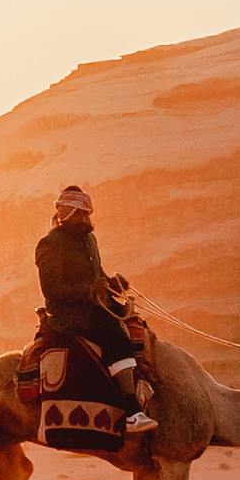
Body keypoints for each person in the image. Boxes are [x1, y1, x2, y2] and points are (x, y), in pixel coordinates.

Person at [36, 184, 155, 431]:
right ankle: (132, 413)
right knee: (115, 336)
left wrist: (112, 284)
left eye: (87, 213)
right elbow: (52, 291)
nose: (86, 218)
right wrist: (89, 291)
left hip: (95, 305)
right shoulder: (50, 244)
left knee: (136, 327)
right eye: (80, 214)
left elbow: (96, 274)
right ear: (66, 215)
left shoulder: (89, 239)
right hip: (69, 315)